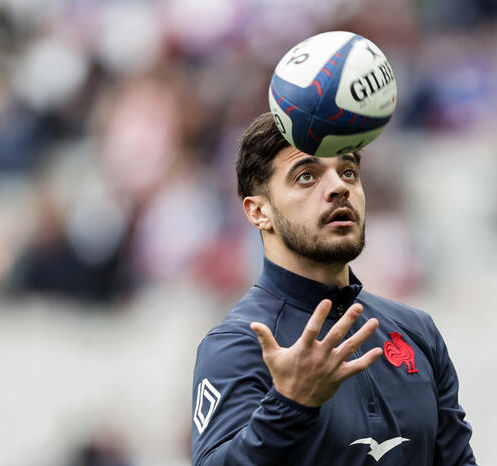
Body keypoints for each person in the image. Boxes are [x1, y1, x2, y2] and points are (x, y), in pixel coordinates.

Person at [190, 112, 478, 465]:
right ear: (258, 212)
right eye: (306, 176)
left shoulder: (418, 332)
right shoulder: (237, 345)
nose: (339, 187)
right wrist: (290, 404)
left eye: (348, 172)